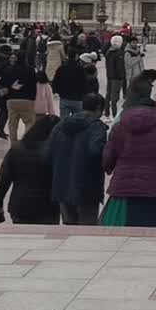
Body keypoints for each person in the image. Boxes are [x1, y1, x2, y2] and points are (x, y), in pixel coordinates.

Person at [102, 72, 156, 227]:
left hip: (122, 191)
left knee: (117, 236)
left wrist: (109, 167)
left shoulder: (119, 127)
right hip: (152, 191)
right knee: (153, 235)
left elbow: (108, 159)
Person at [48, 93, 109, 224]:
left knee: (69, 227)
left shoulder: (61, 125)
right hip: (87, 187)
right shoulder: (96, 127)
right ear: (98, 107)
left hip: (62, 186)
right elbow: (95, 151)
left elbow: (48, 151)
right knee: (87, 231)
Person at [0, 115, 60, 224]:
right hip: (48, 206)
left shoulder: (16, 149)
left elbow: (2, 181)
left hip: (20, 205)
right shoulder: (55, 152)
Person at [4, 51, 38, 143]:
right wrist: (33, 98)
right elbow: (34, 85)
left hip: (12, 99)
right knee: (29, 122)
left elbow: (4, 84)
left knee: (12, 124)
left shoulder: (9, 69)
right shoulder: (30, 70)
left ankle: (14, 144)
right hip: (27, 99)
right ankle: (26, 142)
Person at [52, 49, 89, 120]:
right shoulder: (80, 69)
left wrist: (57, 91)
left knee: (63, 121)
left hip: (64, 97)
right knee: (78, 121)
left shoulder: (61, 68)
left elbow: (56, 81)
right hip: (77, 98)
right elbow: (84, 83)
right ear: (76, 56)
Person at [105, 35, 127, 118]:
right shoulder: (119, 53)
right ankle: (114, 115)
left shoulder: (109, 51)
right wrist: (122, 76)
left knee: (108, 94)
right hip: (117, 77)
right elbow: (120, 67)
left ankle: (107, 112)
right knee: (115, 97)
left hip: (109, 76)